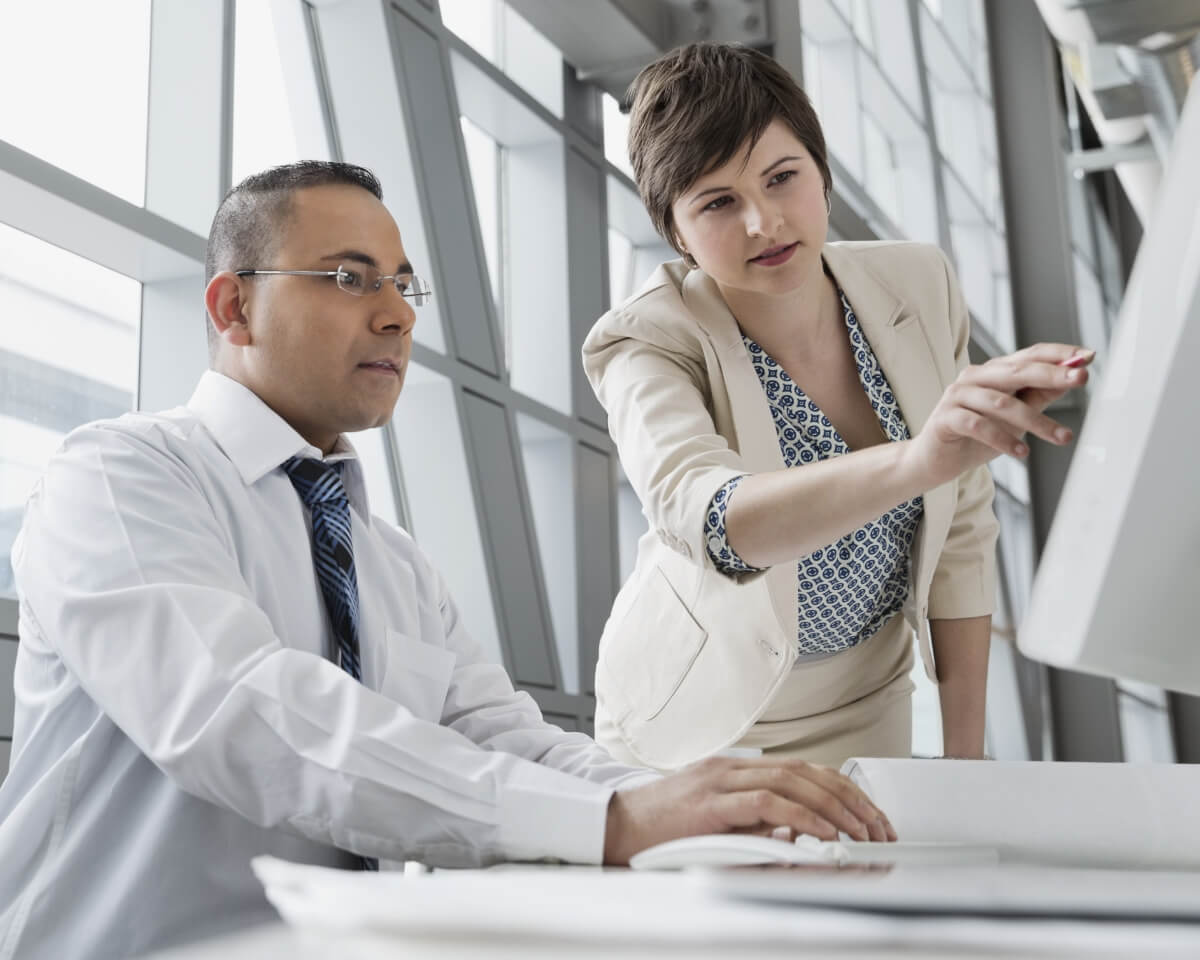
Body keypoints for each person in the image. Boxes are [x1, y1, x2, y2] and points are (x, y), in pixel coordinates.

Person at [0, 161, 894, 960]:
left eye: (401, 284)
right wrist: (615, 821)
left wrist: (703, 803)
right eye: (348, 279)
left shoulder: (388, 562)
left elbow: (503, 740)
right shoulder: (117, 476)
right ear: (234, 307)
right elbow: (244, 715)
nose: (395, 315)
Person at [583, 43, 1092, 772]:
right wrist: (918, 462)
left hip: (865, 701)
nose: (764, 221)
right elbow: (715, 520)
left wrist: (967, 763)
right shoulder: (643, 340)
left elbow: (963, 536)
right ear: (676, 231)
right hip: (703, 721)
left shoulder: (918, 282)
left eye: (782, 178)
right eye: (718, 202)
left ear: (821, 172)